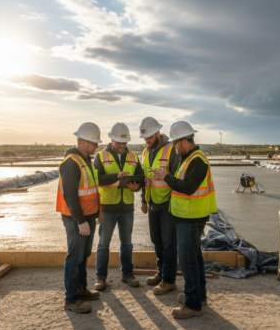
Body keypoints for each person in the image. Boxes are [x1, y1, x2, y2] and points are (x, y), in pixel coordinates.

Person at [149, 121, 217, 319]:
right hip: (187, 216)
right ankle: (198, 296)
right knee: (194, 259)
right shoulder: (189, 159)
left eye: (176, 143)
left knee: (187, 261)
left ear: (184, 141)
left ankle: (192, 304)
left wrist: (166, 177)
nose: (174, 147)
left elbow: (187, 187)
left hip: (191, 217)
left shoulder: (197, 160)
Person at [57, 122, 103, 314]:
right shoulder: (71, 163)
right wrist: (81, 220)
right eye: (94, 144)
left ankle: (81, 289)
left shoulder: (86, 160)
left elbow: (92, 188)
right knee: (74, 258)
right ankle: (72, 299)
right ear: (84, 142)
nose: (97, 148)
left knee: (83, 256)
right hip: (76, 219)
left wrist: (98, 210)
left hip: (88, 216)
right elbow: (70, 195)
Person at [93, 123, 144, 291]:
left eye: (124, 142)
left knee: (127, 243)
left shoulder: (134, 156)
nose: (122, 145)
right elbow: (97, 179)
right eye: (118, 142)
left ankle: (127, 274)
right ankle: (100, 277)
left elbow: (141, 179)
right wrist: (117, 176)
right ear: (111, 139)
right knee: (103, 244)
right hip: (107, 208)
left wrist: (137, 187)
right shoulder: (101, 156)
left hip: (127, 208)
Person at [138, 117, 181, 295]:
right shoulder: (146, 152)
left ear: (157, 133)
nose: (147, 141)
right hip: (153, 204)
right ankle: (162, 273)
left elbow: (178, 178)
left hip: (168, 204)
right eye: (144, 138)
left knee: (169, 244)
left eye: (149, 137)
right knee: (157, 241)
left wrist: (174, 203)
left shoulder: (171, 150)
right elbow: (146, 179)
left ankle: (169, 280)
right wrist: (143, 200)